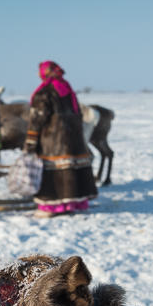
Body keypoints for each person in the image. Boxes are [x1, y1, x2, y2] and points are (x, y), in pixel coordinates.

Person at [23, 61, 97, 216]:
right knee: (71, 168)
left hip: (53, 140)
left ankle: (51, 207)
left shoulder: (44, 92)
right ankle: (73, 203)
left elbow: (37, 119)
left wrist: (30, 142)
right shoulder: (68, 90)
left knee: (54, 172)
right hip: (74, 139)